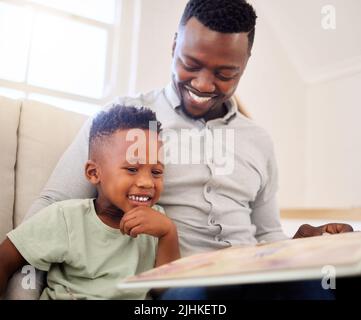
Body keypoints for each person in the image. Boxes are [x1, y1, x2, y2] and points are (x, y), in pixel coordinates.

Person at [6, 0, 353, 300]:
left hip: (253, 274)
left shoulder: (258, 139)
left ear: (245, 63)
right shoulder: (125, 123)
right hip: (179, 281)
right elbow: (53, 207)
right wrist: (23, 288)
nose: (203, 84)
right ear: (174, 45)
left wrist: (301, 244)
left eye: (225, 73)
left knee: (323, 285)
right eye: (191, 64)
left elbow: (266, 234)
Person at [0, 105, 180, 299]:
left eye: (156, 172)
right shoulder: (66, 218)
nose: (147, 183)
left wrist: (168, 234)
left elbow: (164, 289)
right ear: (94, 173)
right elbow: (5, 260)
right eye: (132, 169)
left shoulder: (158, 224)